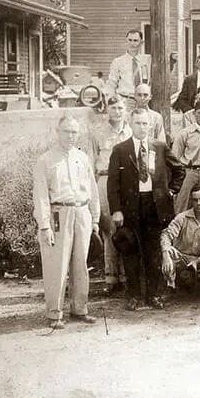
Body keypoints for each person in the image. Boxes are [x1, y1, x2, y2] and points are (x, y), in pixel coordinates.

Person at [107, 108, 185, 311]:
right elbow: (113, 183)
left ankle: (154, 295)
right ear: (131, 124)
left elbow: (179, 169)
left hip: (154, 206)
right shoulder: (120, 149)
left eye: (145, 123)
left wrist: (171, 191)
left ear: (150, 125)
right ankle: (133, 296)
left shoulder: (159, 147)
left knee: (154, 252)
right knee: (131, 252)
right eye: (138, 123)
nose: (142, 127)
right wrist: (116, 210)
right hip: (130, 207)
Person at [32, 115, 100, 329]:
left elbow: (92, 189)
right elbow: (40, 195)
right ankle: (54, 313)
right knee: (57, 265)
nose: (70, 136)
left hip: (82, 212)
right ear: (58, 132)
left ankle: (80, 309)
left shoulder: (83, 158)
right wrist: (44, 225)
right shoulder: (46, 160)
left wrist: (95, 218)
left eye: (74, 132)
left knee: (81, 264)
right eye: (66, 131)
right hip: (59, 213)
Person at [89, 96, 132, 293]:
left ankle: (126, 276)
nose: (117, 112)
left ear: (126, 110)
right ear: (107, 109)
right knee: (109, 230)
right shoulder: (97, 133)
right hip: (105, 180)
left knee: (126, 228)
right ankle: (111, 277)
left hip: (127, 183)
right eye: (113, 108)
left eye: (120, 108)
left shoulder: (131, 131)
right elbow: (90, 164)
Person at [160, 187, 200, 294]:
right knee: (168, 258)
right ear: (191, 200)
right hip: (181, 258)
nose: (198, 203)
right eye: (195, 200)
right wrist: (165, 254)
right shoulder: (182, 218)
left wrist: (199, 261)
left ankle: (195, 290)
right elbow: (166, 234)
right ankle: (170, 287)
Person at [172, 100, 200, 213]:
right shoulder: (184, 133)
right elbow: (175, 157)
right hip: (188, 172)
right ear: (194, 114)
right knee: (182, 204)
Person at [106, 29, 149, 109]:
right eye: (130, 40)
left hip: (143, 101)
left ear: (141, 42)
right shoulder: (118, 62)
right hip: (125, 101)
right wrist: (115, 102)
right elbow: (111, 84)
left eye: (135, 40)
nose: (132, 43)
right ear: (126, 41)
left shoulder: (148, 60)